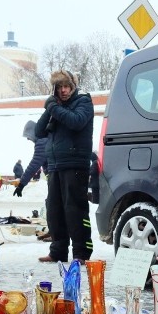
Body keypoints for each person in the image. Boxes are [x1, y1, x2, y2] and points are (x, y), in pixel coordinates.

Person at [34, 70, 94, 263]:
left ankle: (81, 253)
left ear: (73, 86)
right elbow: (38, 131)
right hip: (55, 166)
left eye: (67, 86)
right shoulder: (56, 107)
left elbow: (76, 122)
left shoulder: (83, 102)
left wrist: (54, 108)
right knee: (54, 211)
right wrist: (50, 107)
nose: (64, 91)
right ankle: (58, 251)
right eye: (60, 87)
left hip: (75, 164)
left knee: (75, 210)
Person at [12, 120, 48, 197]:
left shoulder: (42, 143)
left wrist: (21, 184)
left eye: (28, 136)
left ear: (33, 133)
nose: (28, 139)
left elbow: (33, 166)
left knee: (54, 204)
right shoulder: (46, 139)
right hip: (58, 177)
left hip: (56, 178)